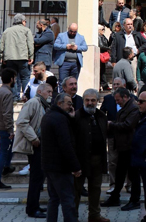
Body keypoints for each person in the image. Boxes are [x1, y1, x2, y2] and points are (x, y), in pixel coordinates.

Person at [13, 83, 52, 218]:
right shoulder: (33, 103)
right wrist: (34, 138)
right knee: (36, 177)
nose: (50, 94)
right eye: (48, 91)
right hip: (35, 145)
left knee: (39, 177)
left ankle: (35, 206)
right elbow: (22, 122)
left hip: (41, 144)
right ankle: (32, 208)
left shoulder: (43, 105)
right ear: (40, 91)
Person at [41, 93, 82, 221]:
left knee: (54, 198)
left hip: (49, 165)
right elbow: (66, 145)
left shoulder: (49, 115)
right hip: (60, 167)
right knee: (68, 199)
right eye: (69, 103)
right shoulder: (60, 119)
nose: (71, 106)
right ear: (60, 104)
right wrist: (75, 167)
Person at [73, 89, 110, 222]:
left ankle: (94, 215)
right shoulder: (75, 116)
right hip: (80, 160)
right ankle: (73, 216)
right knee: (75, 190)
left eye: (93, 100)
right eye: (87, 100)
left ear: (97, 101)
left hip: (97, 159)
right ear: (83, 101)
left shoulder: (101, 116)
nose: (90, 103)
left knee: (95, 189)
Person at [102, 88, 141, 210]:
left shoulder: (133, 107)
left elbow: (128, 125)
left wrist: (111, 125)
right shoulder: (126, 107)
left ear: (125, 97)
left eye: (118, 100)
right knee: (120, 174)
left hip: (130, 147)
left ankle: (134, 200)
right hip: (123, 146)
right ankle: (115, 197)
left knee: (133, 175)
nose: (117, 102)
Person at [100, 77, 126, 194]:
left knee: (127, 161)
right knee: (112, 161)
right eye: (114, 84)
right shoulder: (108, 99)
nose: (115, 86)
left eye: (118, 84)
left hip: (126, 136)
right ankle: (113, 184)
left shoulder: (131, 100)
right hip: (112, 135)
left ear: (124, 86)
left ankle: (128, 185)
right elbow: (101, 114)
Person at [0, 14, 34, 102]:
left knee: (12, 78)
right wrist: (31, 56)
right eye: (25, 21)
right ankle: (26, 96)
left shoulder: (7, 31)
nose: (25, 22)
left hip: (10, 58)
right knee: (25, 77)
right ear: (22, 21)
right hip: (23, 58)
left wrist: (2, 57)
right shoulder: (26, 30)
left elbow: (1, 46)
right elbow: (30, 44)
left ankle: (14, 97)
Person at [0, 68, 16, 190]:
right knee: (3, 152)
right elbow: (7, 114)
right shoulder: (7, 93)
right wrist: (10, 130)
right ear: (11, 79)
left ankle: (7, 166)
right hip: (4, 127)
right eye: (14, 78)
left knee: (8, 147)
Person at [109, 18, 146, 84]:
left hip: (133, 59)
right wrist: (113, 60)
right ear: (124, 25)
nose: (130, 26)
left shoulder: (137, 34)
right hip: (121, 59)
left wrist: (138, 50)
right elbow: (114, 48)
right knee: (120, 78)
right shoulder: (118, 35)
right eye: (128, 24)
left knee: (132, 76)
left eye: (131, 24)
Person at [53, 23, 88, 87]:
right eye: (71, 31)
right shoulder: (61, 36)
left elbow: (85, 47)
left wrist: (77, 48)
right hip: (64, 63)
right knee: (62, 81)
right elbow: (55, 45)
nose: (72, 33)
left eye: (74, 32)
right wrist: (65, 46)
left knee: (73, 82)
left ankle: (72, 96)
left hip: (76, 63)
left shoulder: (81, 37)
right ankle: (62, 96)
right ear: (68, 29)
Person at [98, 24, 111, 91]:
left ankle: (104, 85)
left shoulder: (103, 36)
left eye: (104, 29)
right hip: (100, 55)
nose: (103, 31)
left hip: (103, 55)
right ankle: (102, 85)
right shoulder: (98, 37)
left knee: (103, 70)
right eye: (102, 29)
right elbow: (100, 45)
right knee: (101, 71)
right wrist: (108, 48)